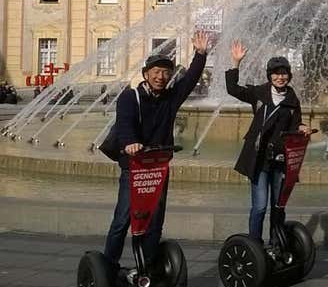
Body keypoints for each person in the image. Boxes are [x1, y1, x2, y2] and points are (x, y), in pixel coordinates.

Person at [103, 31, 208, 272]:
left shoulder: (170, 99)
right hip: (134, 167)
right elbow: (125, 124)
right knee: (123, 219)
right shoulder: (130, 98)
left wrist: (200, 55)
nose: (161, 77)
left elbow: (190, 79)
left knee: (155, 221)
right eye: (156, 72)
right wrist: (130, 142)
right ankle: (108, 266)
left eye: (165, 72)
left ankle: (148, 264)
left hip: (158, 168)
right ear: (146, 75)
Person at [225, 41, 309, 242]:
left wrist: (302, 127)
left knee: (278, 206)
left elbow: (295, 123)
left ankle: (276, 242)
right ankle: (255, 245)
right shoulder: (259, 93)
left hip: (281, 160)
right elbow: (232, 89)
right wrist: (235, 63)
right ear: (269, 75)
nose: (280, 77)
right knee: (260, 206)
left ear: (289, 75)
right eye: (276, 73)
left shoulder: (292, 99)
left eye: (284, 73)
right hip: (259, 159)